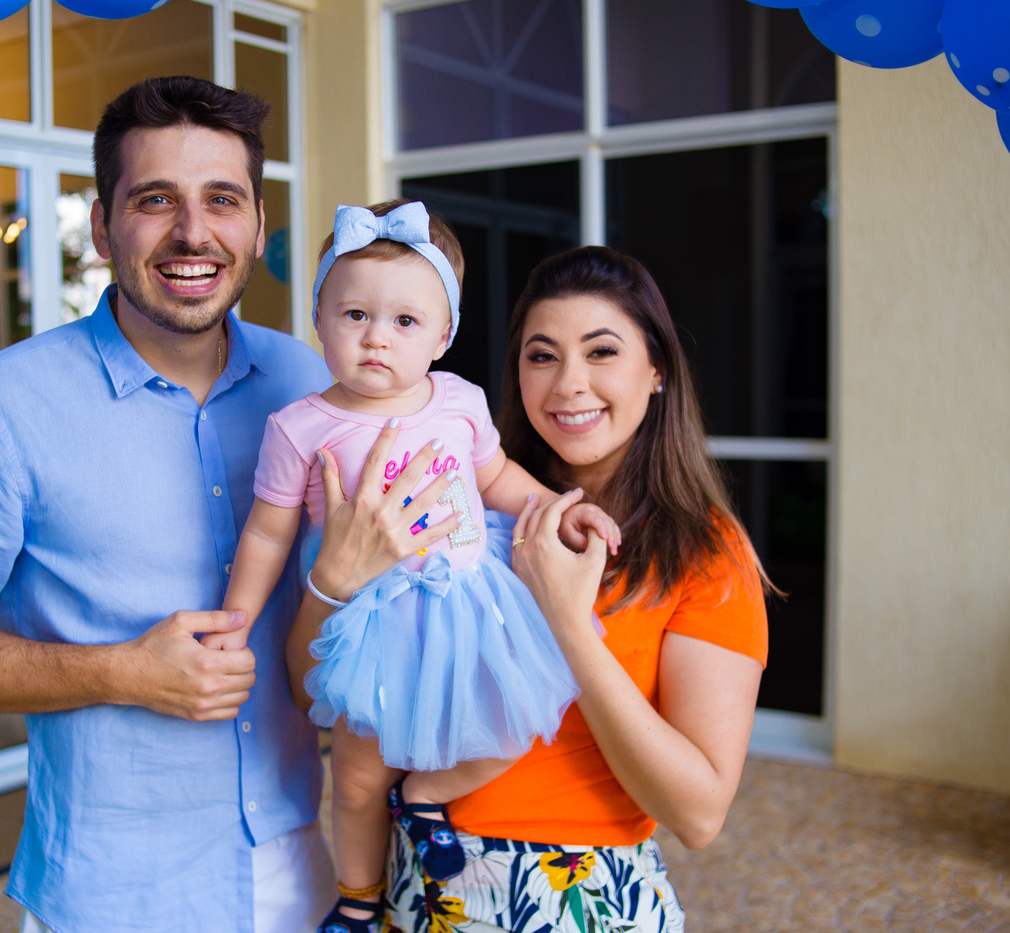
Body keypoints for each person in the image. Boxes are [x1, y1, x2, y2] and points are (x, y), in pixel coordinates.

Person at [0, 76, 340, 933]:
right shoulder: (4, 403)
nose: (193, 232)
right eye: (155, 199)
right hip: (112, 891)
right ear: (101, 227)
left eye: (223, 199)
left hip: (297, 861)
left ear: (257, 227)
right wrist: (123, 670)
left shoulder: (308, 380)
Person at [294, 246, 770, 933]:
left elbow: (698, 815)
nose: (569, 384)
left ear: (657, 369)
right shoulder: (458, 512)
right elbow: (310, 689)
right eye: (542, 355)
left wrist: (569, 624)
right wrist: (332, 581)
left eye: (601, 352)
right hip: (421, 888)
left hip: (584, 898)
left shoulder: (705, 552)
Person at [218, 200, 617, 933]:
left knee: (518, 721)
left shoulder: (459, 401)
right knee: (357, 776)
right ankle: (358, 897)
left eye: (405, 321)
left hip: (470, 604)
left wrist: (561, 507)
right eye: (355, 315)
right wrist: (235, 621)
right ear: (319, 320)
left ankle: (427, 793)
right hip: (373, 624)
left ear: (443, 335)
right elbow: (268, 535)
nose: (377, 337)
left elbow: (497, 478)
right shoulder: (300, 427)